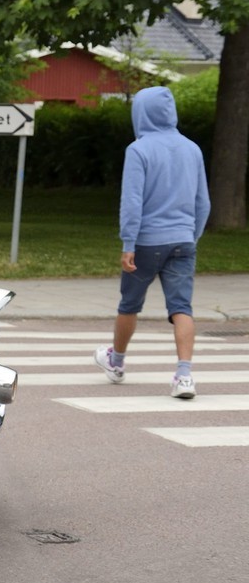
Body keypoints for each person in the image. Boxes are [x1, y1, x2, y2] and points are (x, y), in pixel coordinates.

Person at [94, 86, 211, 400]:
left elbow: (132, 202)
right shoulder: (192, 149)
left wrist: (128, 243)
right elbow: (203, 203)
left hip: (146, 242)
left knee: (129, 304)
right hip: (184, 240)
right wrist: (192, 236)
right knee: (182, 307)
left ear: (140, 113)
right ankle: (184, 376)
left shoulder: (139, 149)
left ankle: (116, 362)